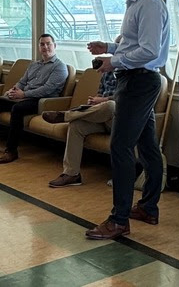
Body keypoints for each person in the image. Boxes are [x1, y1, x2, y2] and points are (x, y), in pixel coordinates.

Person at [85, 0, 169, 240]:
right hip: (134, 80)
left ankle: (119, 219)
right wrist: (108, 47)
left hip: (140, 81)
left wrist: (114, 61)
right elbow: (134, 43)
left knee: (120, 146)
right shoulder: (135, 5)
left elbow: (148, 50)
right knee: (146, 147)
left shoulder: (150, 4)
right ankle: (147, 207)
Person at [0, 34, 68, 164]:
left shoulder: (60, 67)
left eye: (48, 44)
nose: (45, 47)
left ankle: (11, 150)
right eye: (42, 44)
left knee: (17, 109)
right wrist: (12, 92)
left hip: (42, 101)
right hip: (24, 96)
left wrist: (24, 94)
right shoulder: (34, 65)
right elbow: (22, 82)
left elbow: (47, 89)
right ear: (39, 47)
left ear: (55, 46)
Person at [43, 36, 121, 188]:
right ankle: (71, 174)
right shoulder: (107, 70)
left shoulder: (135, 73)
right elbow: (101, 92)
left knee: (110, 105)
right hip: (101, 117)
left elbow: (126, 99)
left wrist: (103, 101)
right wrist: (96, 100)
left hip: (119, 120)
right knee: (76, 125)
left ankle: (66, 115)